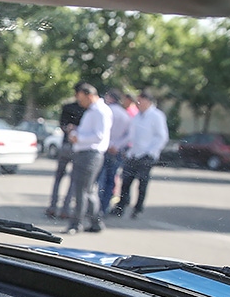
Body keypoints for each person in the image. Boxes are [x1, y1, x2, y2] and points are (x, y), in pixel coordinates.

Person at [111, 89, 169, 219]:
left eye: (140, 101)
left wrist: (151, 152)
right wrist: (124, 149)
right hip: (134, 154)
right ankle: (121, 207)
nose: (138, 103)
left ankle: (138, 209)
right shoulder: (137, 116)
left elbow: (162, 137)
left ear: (148, 101)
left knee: (142, 184)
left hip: (147, 155)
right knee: (126, 182)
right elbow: (131, 136)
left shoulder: (156, 116)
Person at [65, 82, 112, 234]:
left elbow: (99, 135)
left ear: (89, 95)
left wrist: (77, 137)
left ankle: (76, 224)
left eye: (81, 98)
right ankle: (96, 222)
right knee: (88, 190)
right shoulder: (93, 110)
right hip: (86, 153)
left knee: (81, 190)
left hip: (90, 154)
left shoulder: (100, 111)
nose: (79, 102)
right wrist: (76, 131)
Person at [45, 98, 86, 219]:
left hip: (66, 144)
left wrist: (69, 130)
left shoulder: (68, 107)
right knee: (73, 180)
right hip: (78, 146)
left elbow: (62, 125)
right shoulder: (87, 109)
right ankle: (65, 209)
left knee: (59, 177)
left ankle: (52, 206)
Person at [97, 89, 132, 216]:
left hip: (104, 149)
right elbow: (129, 135)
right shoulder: (125, 114)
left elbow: (100, 130)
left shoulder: (106, 111)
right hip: (116, 151)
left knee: (99, 179)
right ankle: (104, 207)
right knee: (111, 180)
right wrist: (117, 145)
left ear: (110, 98)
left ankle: (95, 207)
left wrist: (109, 144)